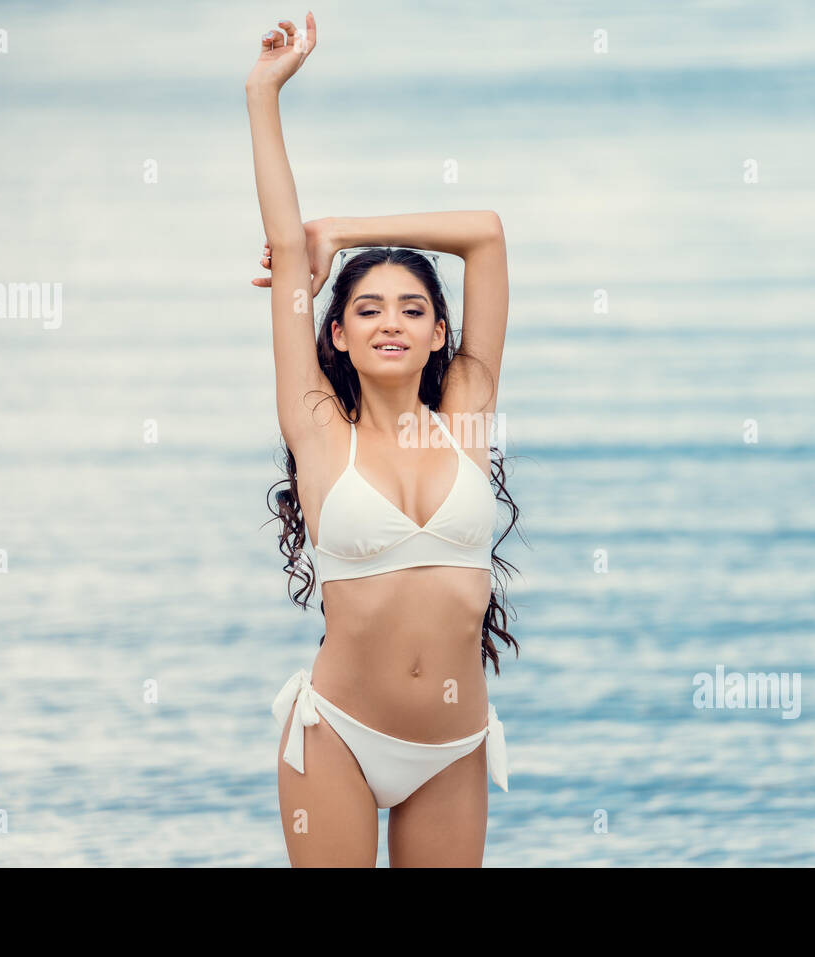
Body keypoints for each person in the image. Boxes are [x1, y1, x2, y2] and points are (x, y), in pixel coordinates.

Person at [246, 14, 523, 866]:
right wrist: (264, 92)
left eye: (412, 309)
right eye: (366, 309)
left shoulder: (469, 407)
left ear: (443, 331)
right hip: (339, 735)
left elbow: (486, 232)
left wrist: (352, 233)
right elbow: (288, 258)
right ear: (337, 336)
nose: (390, 323)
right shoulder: (319, 425)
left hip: (453, 745)